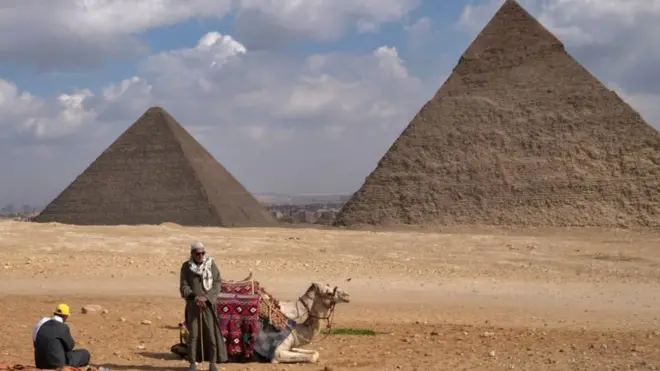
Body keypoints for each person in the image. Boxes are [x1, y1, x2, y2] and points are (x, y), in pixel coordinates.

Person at [180, 241, 228, 371]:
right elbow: (183, 286)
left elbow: (217, 283)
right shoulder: (186, 267)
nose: (200, 256)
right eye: (197, 253)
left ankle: (212, 362)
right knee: (193, 335)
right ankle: (192, 362)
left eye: (202, 253)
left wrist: (207, 298)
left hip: (208, 305)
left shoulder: (211, 265)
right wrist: (194, 297)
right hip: (193, 305)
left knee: (210, 334)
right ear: (192, 254)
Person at [33, 303, 91, 369]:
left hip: (40, 364)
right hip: (58, 365)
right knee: (85, 354)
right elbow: (70, 347)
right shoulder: (63, 327)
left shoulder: (41, 322)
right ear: (66, 316)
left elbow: (35, 342)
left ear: (55, 313)